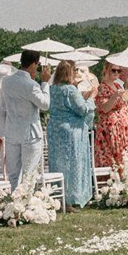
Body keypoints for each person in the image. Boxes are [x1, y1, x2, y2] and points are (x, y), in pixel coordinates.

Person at [47, 59, 97, 207]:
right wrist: (92, 97)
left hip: (55, 130)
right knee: (74, 164)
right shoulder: (70, 89)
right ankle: (73, 198)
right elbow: (82, 110)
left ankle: (57, 197)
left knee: (58, 163)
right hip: (71, 131)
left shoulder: (52, 89)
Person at [0, 51, 51, 190]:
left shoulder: (6, 82)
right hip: (30, 134)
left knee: (13, 175)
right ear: (34, 64)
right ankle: (25, 205)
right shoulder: (31, 85)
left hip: (11, 132)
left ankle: (14, 204)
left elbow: (3, 106)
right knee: (29, 174)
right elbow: (45, 105)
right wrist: (45, 82)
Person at [94, 62, 128, 179]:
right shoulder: (102, 87)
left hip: (122, 128)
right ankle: (113, 183)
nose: (117, 73)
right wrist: (115, 96)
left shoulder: (118, 86)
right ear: (106, 69)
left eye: (119, 71)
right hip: (109, 129)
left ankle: (125, 180)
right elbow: (105, 108)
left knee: (123, 156)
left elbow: (124, 104)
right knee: (110, 157)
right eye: (114, 70)